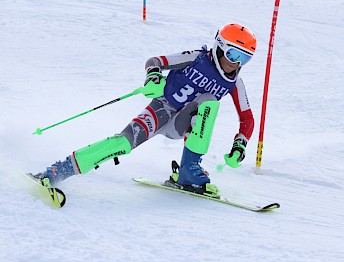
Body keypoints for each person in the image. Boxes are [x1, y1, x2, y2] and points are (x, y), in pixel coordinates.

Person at [34, 23, 257, 198]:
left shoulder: (235, 83)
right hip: (161, 110)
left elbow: (247, 118)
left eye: (244, 59)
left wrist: (240, 144)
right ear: (219, 48)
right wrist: (154, 76)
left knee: (209, 102)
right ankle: (56, 172)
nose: (237, 64)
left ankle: (188, 170)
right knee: (122, 143)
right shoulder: (196, 58)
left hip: (184, 123)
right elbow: (155, 61)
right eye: (234, 56)